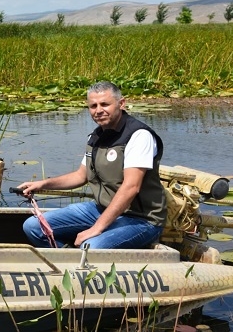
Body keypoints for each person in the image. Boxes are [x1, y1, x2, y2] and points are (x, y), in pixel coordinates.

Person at [17, 81, 166, 249]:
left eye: (105, 104)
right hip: (101, 209)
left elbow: (131, 187)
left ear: (121, 104)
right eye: (93, 106)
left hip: (141, 219)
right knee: (34, 227)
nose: (98, 110)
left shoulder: (139, 136)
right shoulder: (96, 136)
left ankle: (79, 264)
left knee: (90, 246)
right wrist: (43, 184)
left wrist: (96, 228)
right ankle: (68, 263)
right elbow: (81, 176)